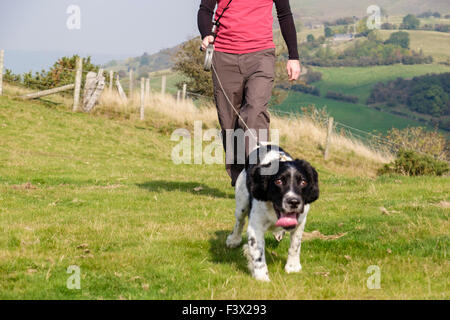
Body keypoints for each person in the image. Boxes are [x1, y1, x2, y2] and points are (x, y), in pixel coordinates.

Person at [197, 0, 301, 186]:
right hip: (224, 57)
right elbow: (205, 10)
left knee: (254, 112)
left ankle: (259, 177)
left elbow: (285, 15)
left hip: (261, 55)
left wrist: (293, 56)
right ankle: (239, 180)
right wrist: (206, 35)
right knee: (229, 122)